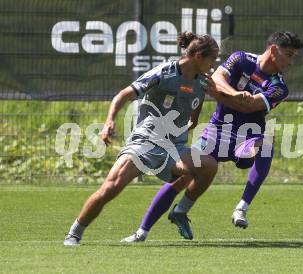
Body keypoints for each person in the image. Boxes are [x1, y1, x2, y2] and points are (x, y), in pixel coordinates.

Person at [123, 31, 303, 241]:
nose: (291, 61)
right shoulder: (241, 58)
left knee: (264, 147)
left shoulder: (280, 87)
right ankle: (145, 230)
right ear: (273, 50)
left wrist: (220, 94)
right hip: (216, 132)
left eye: (294, 56)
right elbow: (216, 77)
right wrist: (234, 94)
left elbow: (249, 107)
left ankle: (241, 208)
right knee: (182, 178)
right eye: (289, 54)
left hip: (247, 138)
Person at [63, 32, 220, 246]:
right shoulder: (163, 73)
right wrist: (109, 121)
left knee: (208, 165)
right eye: (212, 59)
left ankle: (180, 211)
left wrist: (185, 126)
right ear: (199, 56)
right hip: (145, 142)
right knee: (110, 188)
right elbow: (123, 95)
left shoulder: (202, 84)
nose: (214, 65)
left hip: (174, 148)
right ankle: (75, 232)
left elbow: (194, 115)